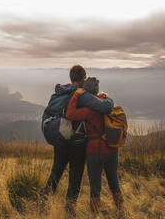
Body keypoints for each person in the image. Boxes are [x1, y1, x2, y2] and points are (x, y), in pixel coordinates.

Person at [43, 65, 114, 215]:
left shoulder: (58, 93)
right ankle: (69, 211)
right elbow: (106, 108)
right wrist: (108, 99)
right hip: (77, 144)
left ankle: (43, 204)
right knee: (75, 178)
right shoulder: (82, 94)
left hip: (60, 141)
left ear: (70, 77)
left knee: (56, 173)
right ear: (83, 78)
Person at [65, 77, 124, 216]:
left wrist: (76, 95)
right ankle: (121, 212)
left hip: (95, 151)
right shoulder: (106, 102)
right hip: (112, 149)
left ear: (87, 93)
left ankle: (94, 215)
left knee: (95, 187)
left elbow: (70, 114)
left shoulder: (89, 110)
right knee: (114, 183)